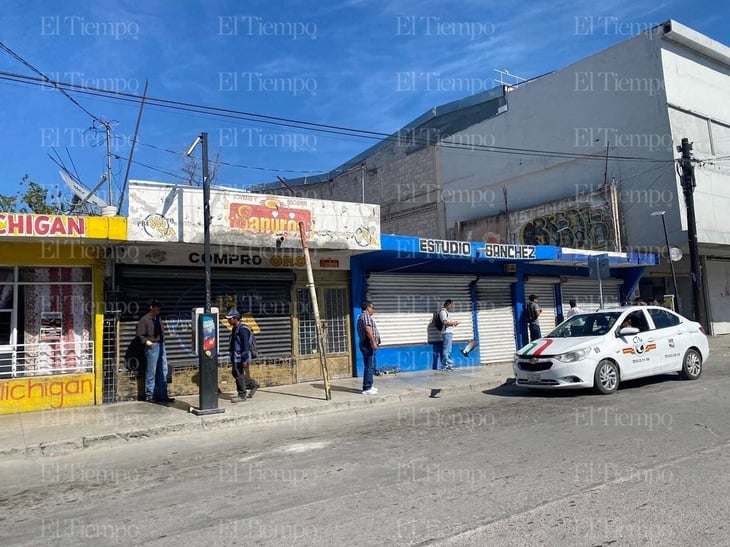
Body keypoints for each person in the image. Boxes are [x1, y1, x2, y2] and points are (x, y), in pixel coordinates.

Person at [136, 299, 174, 404]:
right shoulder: (145, 320)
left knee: (163, 370)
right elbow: (140, 334)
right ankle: (150, 395)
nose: (159, 308)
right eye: (157, 306)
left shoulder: (158, 318)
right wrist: (148, 343)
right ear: (151, 307)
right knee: (151, 371)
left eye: (159, 306)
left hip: (161, 345)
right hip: (152, 347)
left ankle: (163, 395)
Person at [226, 310, 260, 403]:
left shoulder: (243, 329)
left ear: (235, 319)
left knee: (239, 374)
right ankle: (253, 384)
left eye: (230, 319)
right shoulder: (235, 328)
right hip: (235, 355)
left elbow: (245, 345)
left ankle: (242, 395)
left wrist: (244, 359)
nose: (228, 321)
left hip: (241, 357)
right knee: (235, 373)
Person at [357, 301, 381, 395]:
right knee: (369, 366)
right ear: (368, 308)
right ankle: (367, 387)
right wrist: (374, 342)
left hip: (366, 343)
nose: (373, 310)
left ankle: (369, 385)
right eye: (372, 307)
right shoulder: (365, 316)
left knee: (370, 366)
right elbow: (368, 330)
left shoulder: (362, 316)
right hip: (367, 344)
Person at [439, 299, 460, 371]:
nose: (452, 306)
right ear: (447, 304)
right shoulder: (443, 312)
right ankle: (449, 365)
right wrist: (453, 323)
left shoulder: (446, 312)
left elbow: (447, 323)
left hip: (449, 332)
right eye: (451, 305)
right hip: (446, 333)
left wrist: (453, 324)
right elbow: (444, 322)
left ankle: (444, 366)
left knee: (448, 350)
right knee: (446, 350)